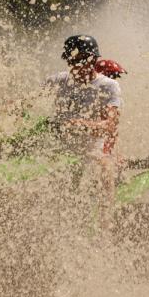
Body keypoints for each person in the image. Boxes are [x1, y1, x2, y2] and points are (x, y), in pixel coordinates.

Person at [45, 35, 123, 227]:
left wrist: (83, 124)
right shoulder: (57, 81)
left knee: (105, 166)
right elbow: (27, 103)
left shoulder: (107, 86)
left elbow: (110, 124)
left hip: (90, 151)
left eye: (84, 60)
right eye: (73, 60)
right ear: (68, 60)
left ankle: (106, 222)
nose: (78, 65)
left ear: (93, 60)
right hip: (52, 151)